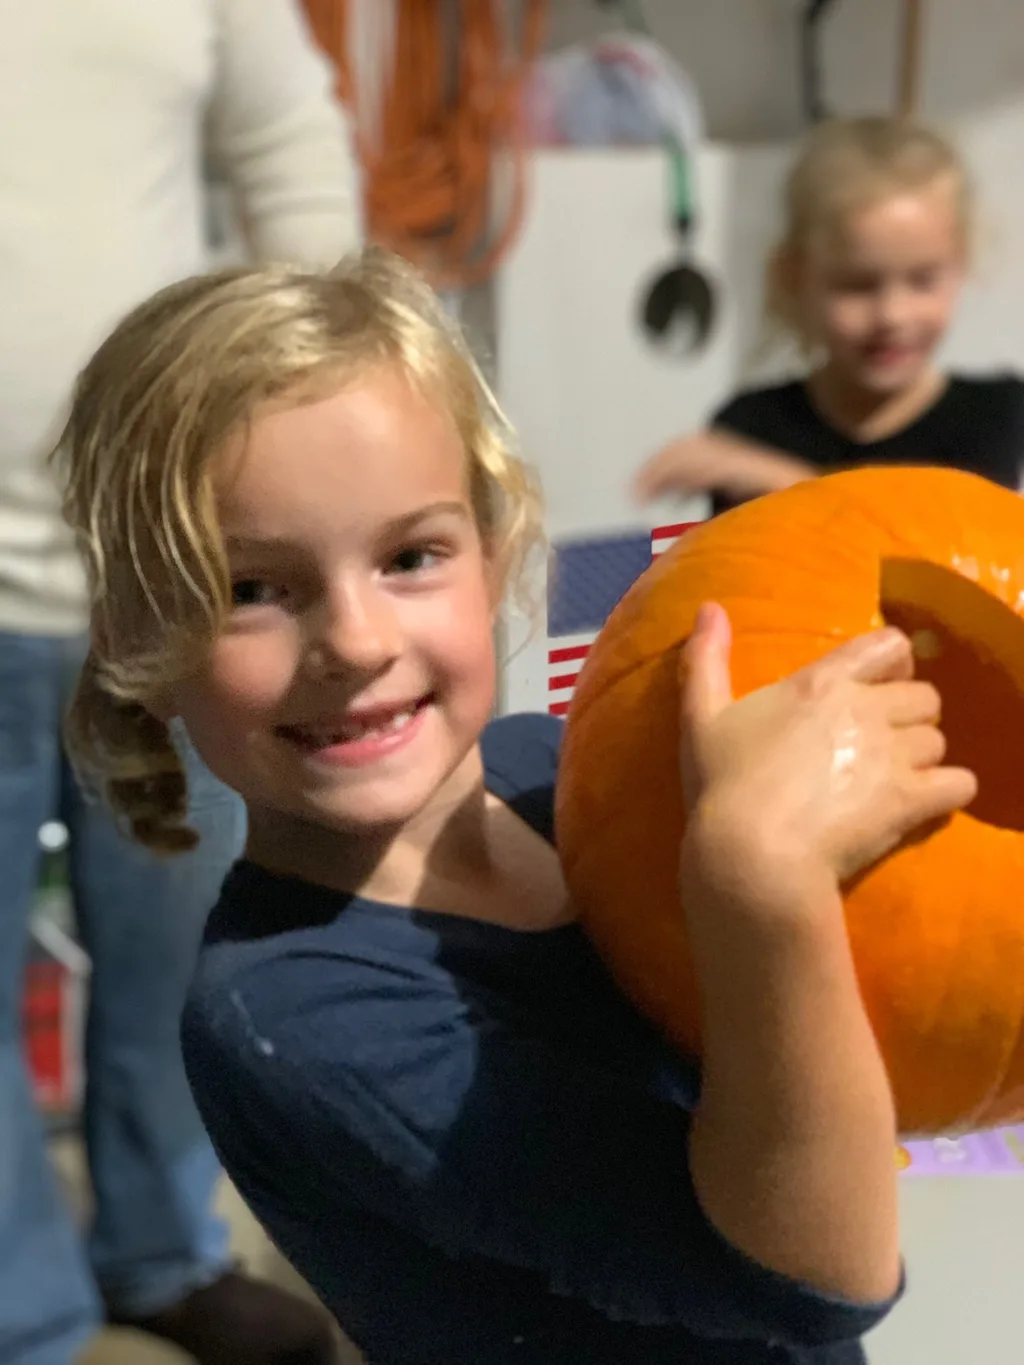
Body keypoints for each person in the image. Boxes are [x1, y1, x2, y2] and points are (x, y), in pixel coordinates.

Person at [54, 246, 977, 1365]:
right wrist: (762, 879)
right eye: (251, 589)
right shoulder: (290, 1013)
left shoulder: (561, 769)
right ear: (140, 647)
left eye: (410, 556)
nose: (354, 641)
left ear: (492, 558)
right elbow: (813, 1285)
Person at [0, 3, 361, 1362]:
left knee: (189, 949)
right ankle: (23, 1315)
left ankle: (164, 1250)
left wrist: (318, 402)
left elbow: (288, 144)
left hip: (166, 574)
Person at [634, 116, 1024, 514]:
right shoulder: (750, 426)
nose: (892, 315)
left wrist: (784, 483)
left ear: (960, 266)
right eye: (857, 285)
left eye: (923, 281)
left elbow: (959, 549)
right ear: (796, 277)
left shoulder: (992, 416)